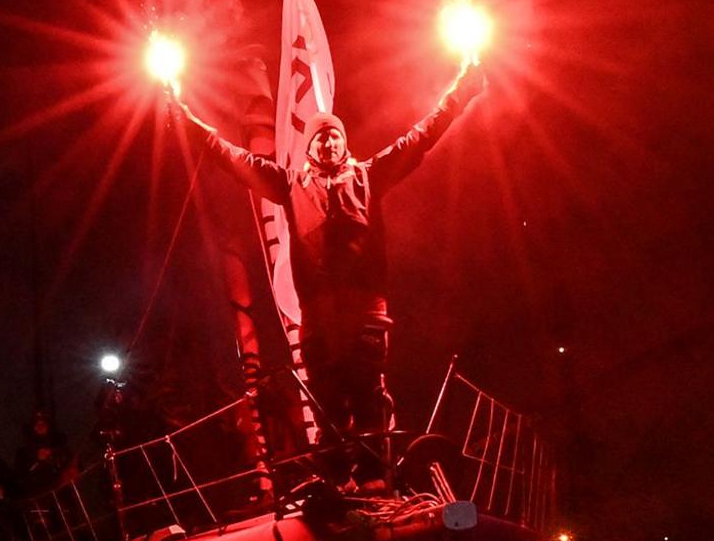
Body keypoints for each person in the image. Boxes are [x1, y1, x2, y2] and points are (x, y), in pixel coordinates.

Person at [170, 63, 487, 466]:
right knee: (329, 405)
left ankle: (377, 481)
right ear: (309, 148)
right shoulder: (289, 184)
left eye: (334, 135)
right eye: (320, 138)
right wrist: (184, 116)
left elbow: (420, 136)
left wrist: (462, 90)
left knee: (370, 398)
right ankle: (337, 486)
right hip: (318, 317)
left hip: (366, 311)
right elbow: (232, 157)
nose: (328, 143)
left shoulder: (369, 177)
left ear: (344, 143)